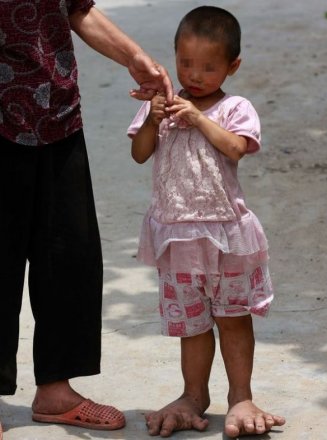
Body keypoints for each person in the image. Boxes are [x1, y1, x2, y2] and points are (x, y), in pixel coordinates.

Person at [0, 0, 172, 437]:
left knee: (69, 253)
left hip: (56, 113)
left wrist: (135, 57)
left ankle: (56, 390)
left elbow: (76, 8)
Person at [128, 6, 286, 438]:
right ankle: (193, 395)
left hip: (226, 237)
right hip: (176, 237)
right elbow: (140, 153)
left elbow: (235, 148)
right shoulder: (164, 106)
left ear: (233, 66)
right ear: (174, 56)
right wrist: (153, 118)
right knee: (192, 325)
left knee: (233, 318)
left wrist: (197, 118)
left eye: (209, 67)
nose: (194, 76)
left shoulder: (235, 107)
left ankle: (241, 396)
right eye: (185, 64)